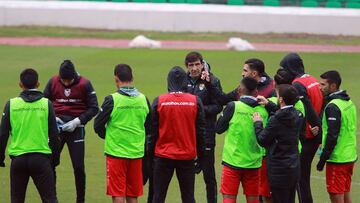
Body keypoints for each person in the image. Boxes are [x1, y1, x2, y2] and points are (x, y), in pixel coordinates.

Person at [0, 68, 60, 203]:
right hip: (41, 159)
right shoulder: (46, 104)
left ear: (20, 84)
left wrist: (0, 157)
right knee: (50, 199)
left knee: (17, 200)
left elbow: (3, 134)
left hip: (18, 160)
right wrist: (55, 158)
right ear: (38, 84)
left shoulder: (11, 104)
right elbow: (54, 134)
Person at [94, 64, 151, 203]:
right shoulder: (144, 99)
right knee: (133, 194)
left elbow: (98, 125)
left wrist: (108, 136)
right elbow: (149, 127)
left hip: (116, 153)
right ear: (132, 78)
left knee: (118, 192)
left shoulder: (112, 100)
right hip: (137, 152)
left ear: (116, 78)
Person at [43, 60, 98, 203]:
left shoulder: (85, 84)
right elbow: (43, 104)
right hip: (57, 129)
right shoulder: (53, 82)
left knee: (78, 166)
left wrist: (78, 121)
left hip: (76, 128)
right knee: (50, 163)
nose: (66, 84)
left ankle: (80, 200)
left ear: (74, 76)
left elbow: (94, 108)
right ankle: (51, 198)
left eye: (69, 80)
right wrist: (53, 119)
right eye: (64, 81)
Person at [149, 66, 206, 203]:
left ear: (168, 81)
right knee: (188, 197)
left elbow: (152, 133)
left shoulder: (159, 101)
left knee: (158, 197)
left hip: (163, 156)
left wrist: (149, 157)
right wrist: (201, 156)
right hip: (187, 156)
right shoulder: (195, 101)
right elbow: (201, 132)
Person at [216, 77, 268, 203]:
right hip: (254, 163)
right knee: (253, 199)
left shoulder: (233, 106)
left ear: (239, 90)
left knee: (229, 198)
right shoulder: (263, 110)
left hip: (232, 162)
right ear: (256, 92)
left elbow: (218, 128)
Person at [279, 52, 323, 203]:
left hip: (308, 137)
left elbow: (307, 108)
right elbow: (321, 104)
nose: (283, 72)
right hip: (313, 135)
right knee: (303, 179)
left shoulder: (297, 84)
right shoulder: (312, 79)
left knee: (300, 181)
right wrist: (318, 126)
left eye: (284, 68)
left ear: (290, 67)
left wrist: (316, 128)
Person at [253, 84, 303, 203]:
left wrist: (258, 123)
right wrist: (269, 104)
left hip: (278, 170)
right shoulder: (298, 114)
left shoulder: (275, 120)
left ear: (281, 99)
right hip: (293, 167)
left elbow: (262, 140)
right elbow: (285, 112)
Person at [184, 51, 222, 203]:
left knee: (209, 176)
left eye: (197, 64)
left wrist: (199, 109)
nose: (194, 68)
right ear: (186, 66)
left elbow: (218, 105)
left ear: (202, 64)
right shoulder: (182, 81)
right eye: (190, 65)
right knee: (187, 177)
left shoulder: (212, 80)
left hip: (206, 135)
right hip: (186, 136)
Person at [317, 70, 357, 203]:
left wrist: (323, 159)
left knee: (336, 195)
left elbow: (332, 136)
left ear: (333, 86)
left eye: (323, 84)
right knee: (345, 193)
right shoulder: (348, 102)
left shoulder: (333, 106)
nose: (319, 87)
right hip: (350, 155)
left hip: (338, 159)